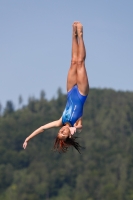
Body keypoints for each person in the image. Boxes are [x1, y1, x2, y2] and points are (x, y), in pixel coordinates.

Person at [23, 21, 89, 153]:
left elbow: (42, 128)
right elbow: (80, 126)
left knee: (73, 62)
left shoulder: (61, 121)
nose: (62, 130)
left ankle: (73, 34)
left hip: (70, 91)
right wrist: (75, 128)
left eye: (60, 132)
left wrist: (28, 138)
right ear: (69, 135)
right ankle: (80, 36)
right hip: (81, 93)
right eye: (63, 133)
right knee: (80, 63)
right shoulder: (76, 125)